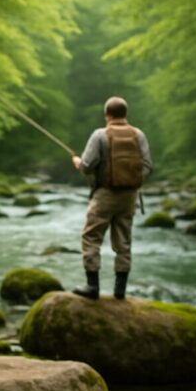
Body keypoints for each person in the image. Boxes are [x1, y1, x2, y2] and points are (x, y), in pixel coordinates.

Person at [70, 96, 152, 300]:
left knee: (91, 237)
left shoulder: (100, 134)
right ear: (126, 114)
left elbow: (87, 167)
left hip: (105, 194)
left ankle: (92, 286)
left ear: (106, 114)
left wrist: (78, 162)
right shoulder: (138, 135)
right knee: (124, 242)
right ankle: (120, 291)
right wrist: (131, 181)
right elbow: (148, 166)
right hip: (129, 197)